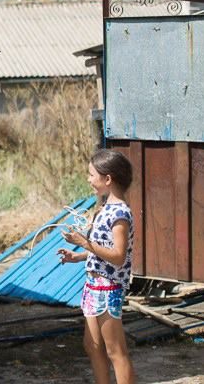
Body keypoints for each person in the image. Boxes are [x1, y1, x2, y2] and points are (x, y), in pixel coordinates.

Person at [59, 149, 136, 384]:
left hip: (108, 288)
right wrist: (79, 255)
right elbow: (102, 249)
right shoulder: (103, 208)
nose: (88, 179)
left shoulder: (120, 213)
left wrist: (85, 242)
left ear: (108, 179)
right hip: (93, 285)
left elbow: (118, 256)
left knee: (116, 351)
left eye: (92, 174)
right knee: (91, 346)